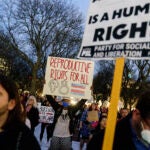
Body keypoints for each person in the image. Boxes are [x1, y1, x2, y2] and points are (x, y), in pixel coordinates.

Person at [0, 74, 40, 150]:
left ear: (11, 104)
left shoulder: (24, 139)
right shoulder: (25, 106)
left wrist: (31, 123)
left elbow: (36, 119)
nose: (31, 101)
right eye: (30, 99)